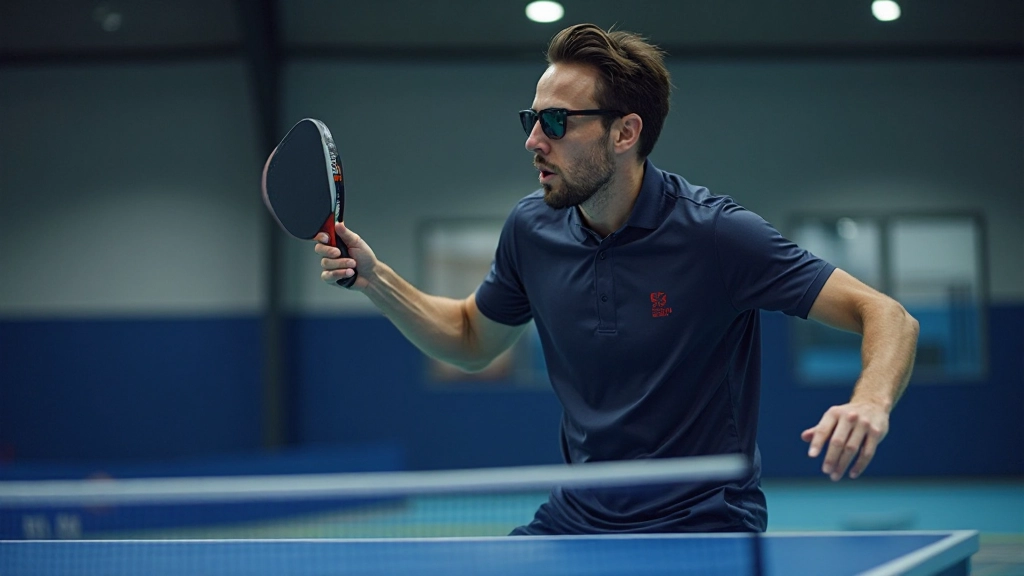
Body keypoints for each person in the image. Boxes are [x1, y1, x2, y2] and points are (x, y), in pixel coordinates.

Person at [314, 23, 919, 533]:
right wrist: (375, 278)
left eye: (555, 122)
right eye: (532, 119)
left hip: (703, 520)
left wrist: (869, 402)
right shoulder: (532, 229)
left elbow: (888, 314)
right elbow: (472, 338)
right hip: (579, 516)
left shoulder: (716, 235)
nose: (532, 141)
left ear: (624, 133)